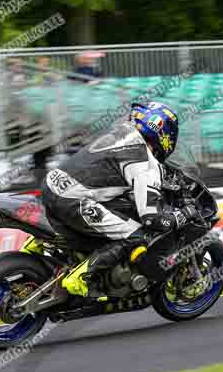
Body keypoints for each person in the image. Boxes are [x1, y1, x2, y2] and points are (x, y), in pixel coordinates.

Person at [35, 102, 198, 297]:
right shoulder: (144, 162)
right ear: (165, 134)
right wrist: (181, 216)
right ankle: (82, 277)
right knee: (140, 236)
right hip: (72, 200)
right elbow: (151, 218)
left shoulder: (120, 133)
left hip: (52, 184)